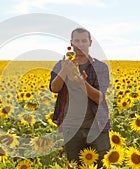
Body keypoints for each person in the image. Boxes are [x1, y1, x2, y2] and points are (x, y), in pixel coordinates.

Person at [49, 27, 111, 168]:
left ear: (90, 43)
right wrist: (65, 70)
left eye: (84, 41)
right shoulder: (61, 65)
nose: (80, 44)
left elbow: (99, 98)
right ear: (71, 43)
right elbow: (54, 88)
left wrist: (81, 82)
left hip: (97, 126)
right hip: (71, 128)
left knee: (102, 165)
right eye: (77, 41)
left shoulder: (100, 67)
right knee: (74, 165)